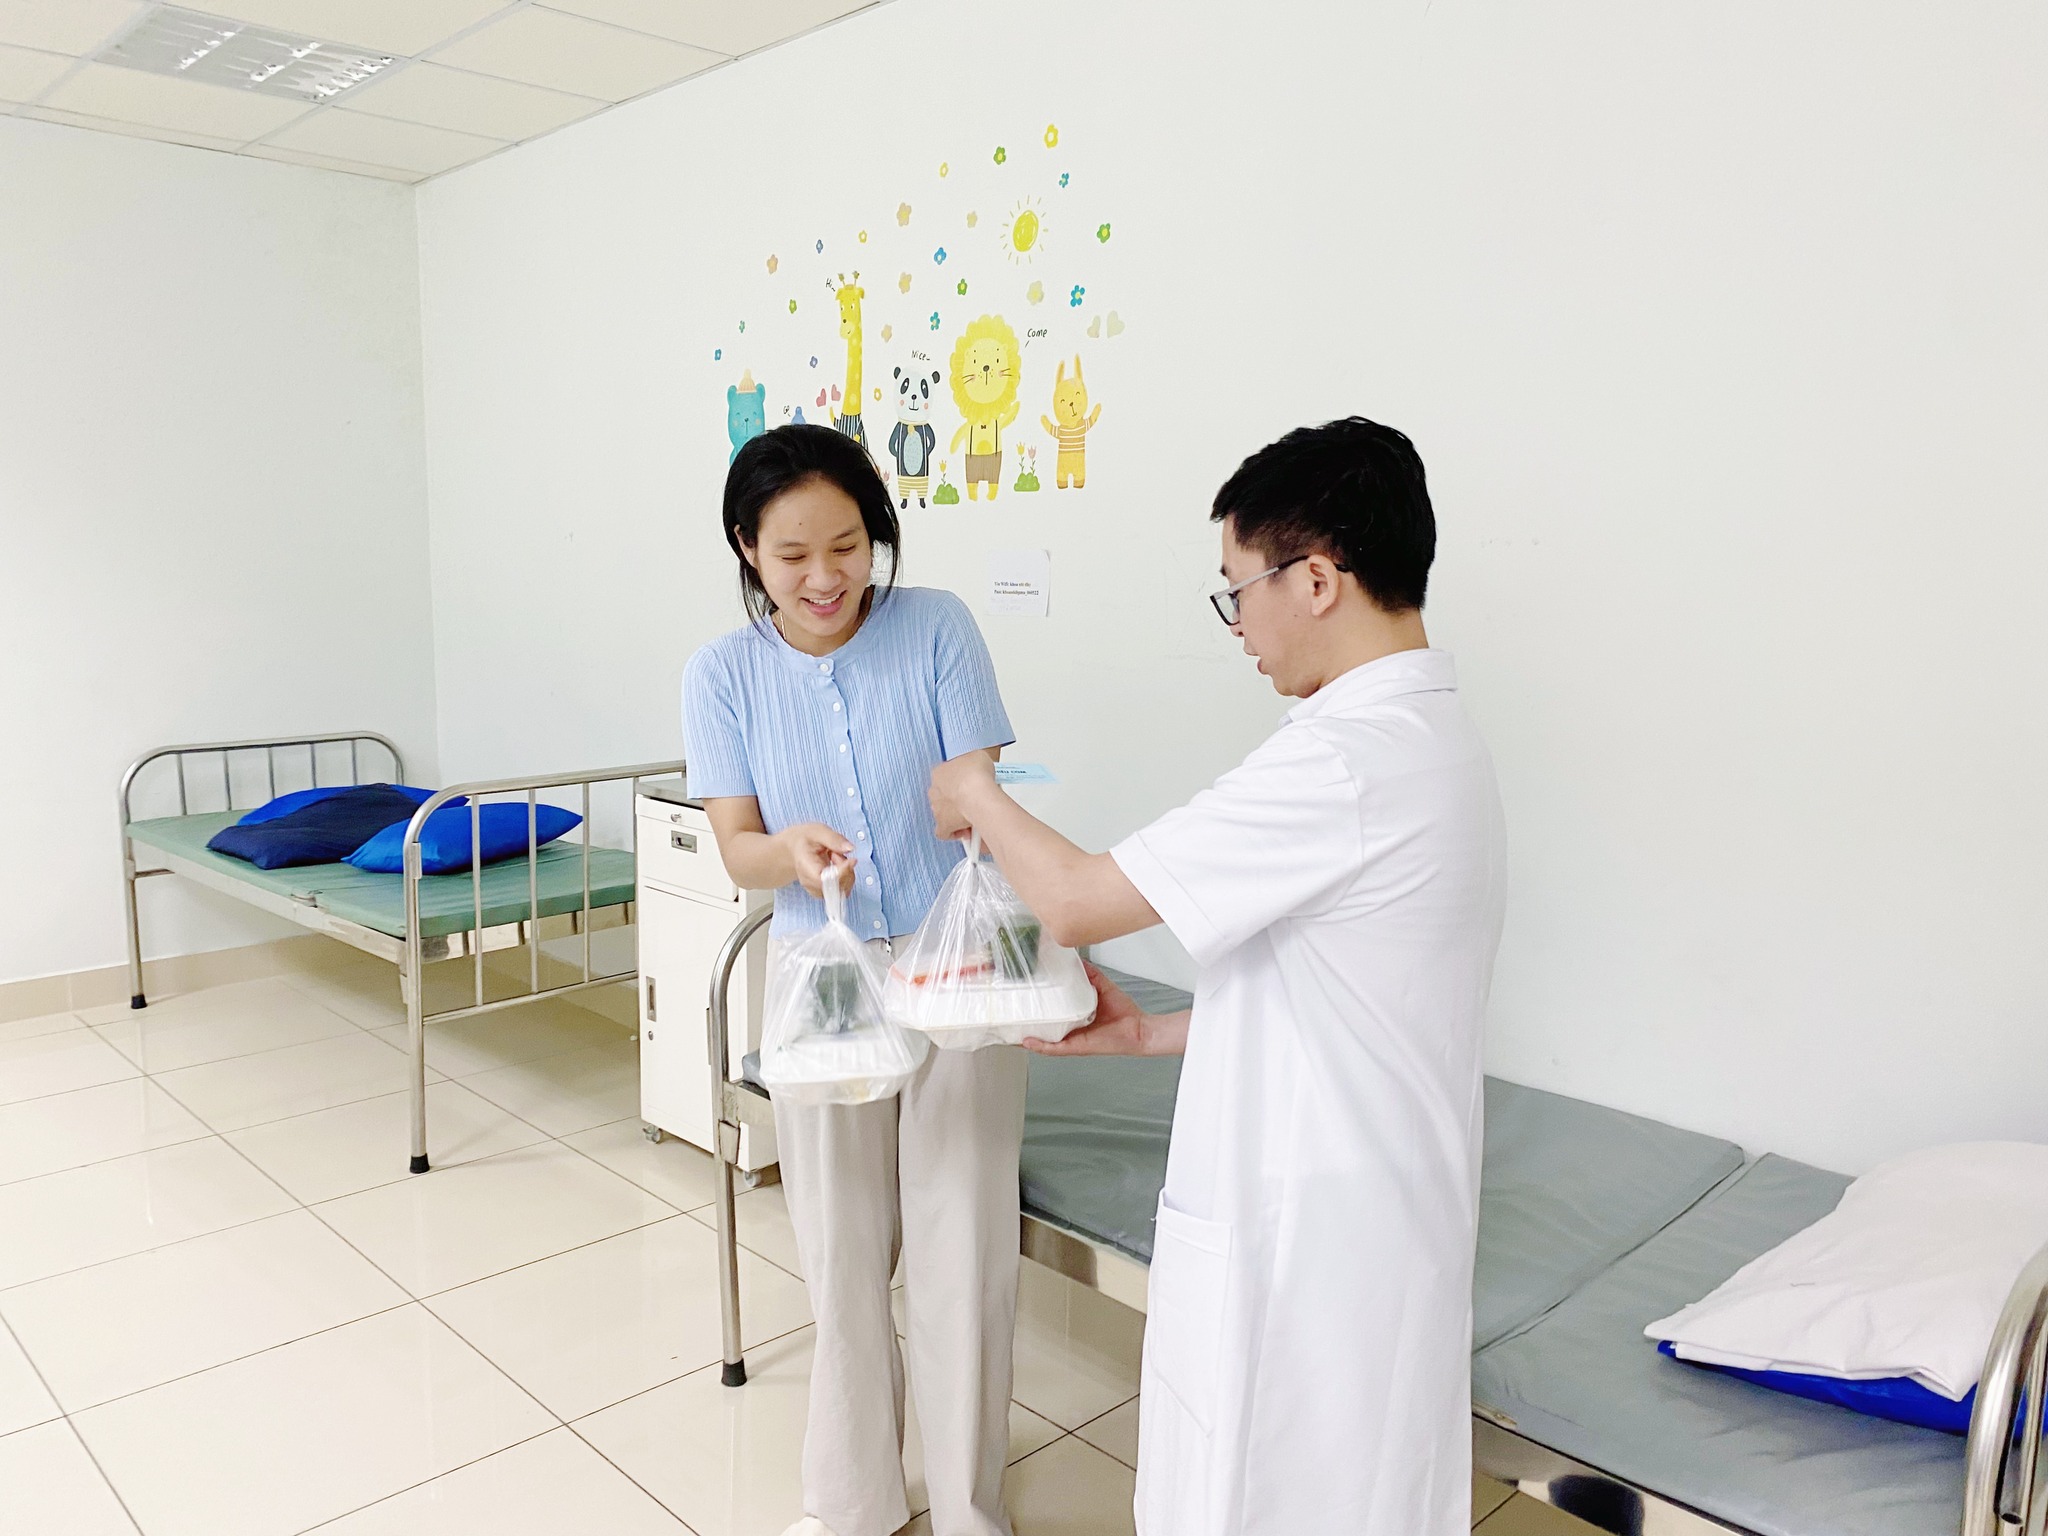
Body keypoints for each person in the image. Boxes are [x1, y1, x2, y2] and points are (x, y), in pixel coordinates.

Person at [928, 417, 1508, 1535]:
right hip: (1373, 1219)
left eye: (1238, 590)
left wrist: (977, 793)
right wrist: (1149, 1033)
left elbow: (1077, 901)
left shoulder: (1340, 761)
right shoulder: (1435, 740)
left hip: (1310, 1240)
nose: (1236, 624)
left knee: (1265, 1492)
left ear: (1317, 580)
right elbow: (1358, 1002)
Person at [683, 424, 1022, 1536]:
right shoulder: (721, 675)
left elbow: (976, 788)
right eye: (792, 555)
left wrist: (969, 802)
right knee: (839, 1250)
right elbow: (737, 847)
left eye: (847, 547)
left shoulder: (937, 627)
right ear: (747, 549)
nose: (825, 577)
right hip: (821, 976)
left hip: (955, 964)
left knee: (961, 1242)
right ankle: (853, 1502)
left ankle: (969, 1507)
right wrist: (786, 852)